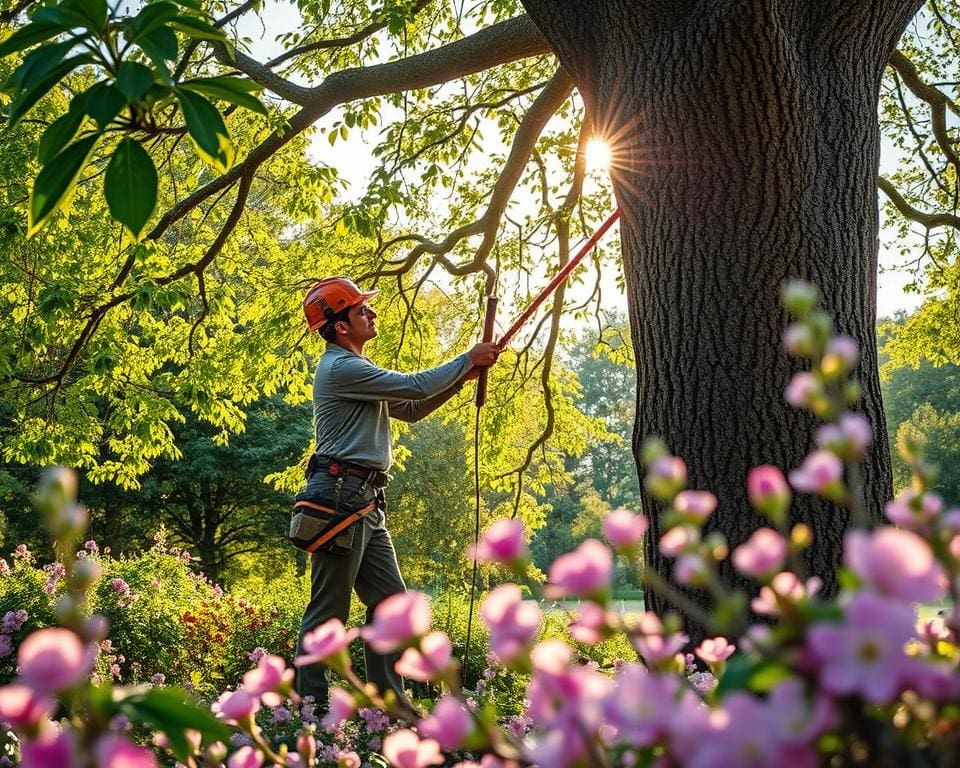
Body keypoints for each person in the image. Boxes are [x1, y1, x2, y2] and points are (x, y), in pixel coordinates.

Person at [294, 276, 499, 709]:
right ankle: (303, 715)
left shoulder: (358, 373)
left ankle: (391, 709)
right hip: (339, 497)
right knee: (328, 612)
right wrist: (466, 359)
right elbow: (414, 387)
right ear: (342, 326)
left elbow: (410, 409)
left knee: (391, 607)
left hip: (363, 500)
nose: (372, 312)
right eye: (361, 309)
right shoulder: (342, 368)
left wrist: (466, 375)